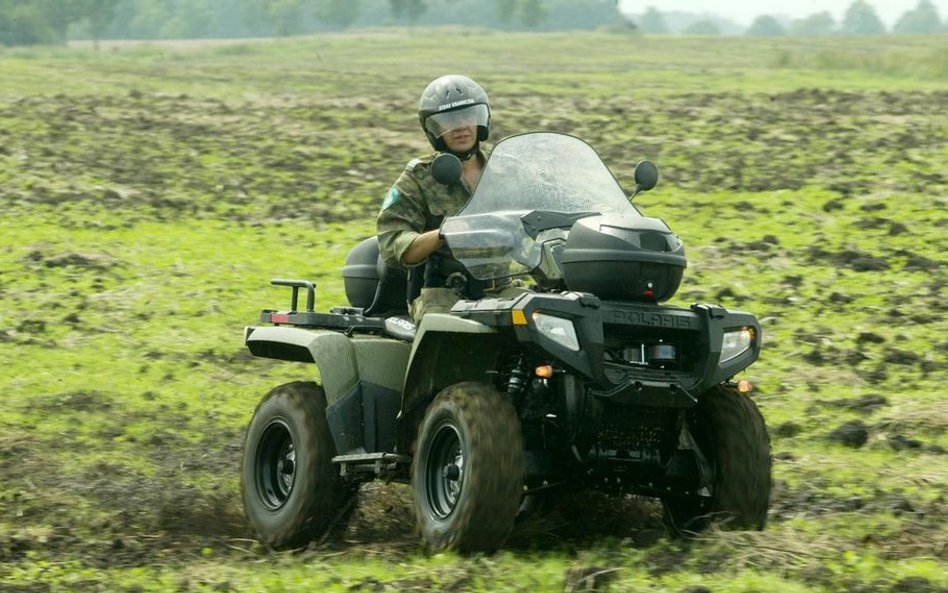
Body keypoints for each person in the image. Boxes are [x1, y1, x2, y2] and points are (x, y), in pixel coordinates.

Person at [377, 74, 523, 324]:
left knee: (551, 320)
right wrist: (443, 233)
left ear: (482, 120)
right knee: (447, 331)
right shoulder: (418, 177)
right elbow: (392, 245)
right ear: (433, 130)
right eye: (448, 121)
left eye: (468, 116)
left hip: (503, 289)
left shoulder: (507, 172)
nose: (461, 127)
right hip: (442, 295)